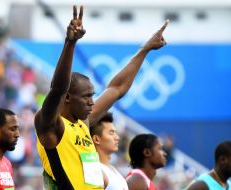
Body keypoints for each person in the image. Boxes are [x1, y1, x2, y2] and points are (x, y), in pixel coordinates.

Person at [34, 5, 169, 190]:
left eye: (92, 96)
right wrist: (70, 43)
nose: (91, 102)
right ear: (67, 98)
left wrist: (144, 49)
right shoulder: (51, 125)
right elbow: (57, 88)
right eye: (86, 97)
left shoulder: (83, 124)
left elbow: (117, 88)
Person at [90, 112, 128, 190]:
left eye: (115, 133)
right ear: (97, 139)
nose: (117, 137)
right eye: (111, 133)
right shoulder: (94, 170)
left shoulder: (114, 170)